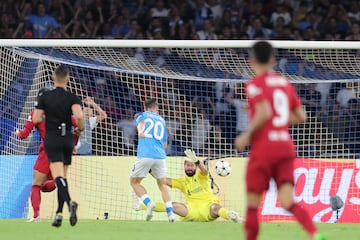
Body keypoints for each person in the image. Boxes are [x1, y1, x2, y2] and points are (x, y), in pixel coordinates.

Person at [235, 41, 326, 240]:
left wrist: (246, 135)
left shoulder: (253, 84)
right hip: (285, 146)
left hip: (264, 148)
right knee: (287, 201)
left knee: (252, 204)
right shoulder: (285, 83)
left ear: (251, 61)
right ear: (273, 60)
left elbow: (264, 112)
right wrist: (279, 123)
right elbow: (302, 116)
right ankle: (314, 234)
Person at [16, 88, 80, 222]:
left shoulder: (36, 113)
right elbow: (77, 127)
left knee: (36, 184)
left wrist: (18, 133)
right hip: (64, 149)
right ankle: (61, 211)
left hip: (48, 149)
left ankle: (36, 215)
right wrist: (74, 144)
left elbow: (24, 134)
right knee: (60, 181)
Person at [33, 65, 84, 227]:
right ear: (68, 79)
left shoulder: (46, 97)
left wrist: (42, 119)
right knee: (64, 178)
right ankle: (59, 214)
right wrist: (80, 128)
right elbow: (79, 116)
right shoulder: (72, 98)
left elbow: (36, 119)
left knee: (58, 178)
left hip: (53, 138)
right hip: (68, 139)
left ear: (54, 78)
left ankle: (69, 204)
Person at [135, 149, 242, 223]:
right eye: (187, 165)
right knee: (172, 205)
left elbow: (205, 171)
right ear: (184, 167)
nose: (189, 167)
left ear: (195, 167)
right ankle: (141, 205)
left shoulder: (201, 176)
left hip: (208, 207)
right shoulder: (182, 182)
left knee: (216, 208)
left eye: (192, 165)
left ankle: (231, 216)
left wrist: (198, 162)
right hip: (192, 211)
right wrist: (149, 169)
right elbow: (163, 180)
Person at [130, 98, 175, 222]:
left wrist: (140, 131)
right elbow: (165, 144)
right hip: (160, 156)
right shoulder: (162, 120)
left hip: (145, 154)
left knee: (134, 182)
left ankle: (149, 203)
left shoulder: (142, 115)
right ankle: (170, 213)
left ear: (145, 107)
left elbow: (141, 123)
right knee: (162, 184)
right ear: (156, 108)